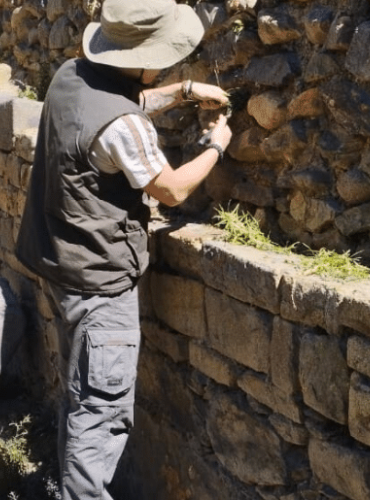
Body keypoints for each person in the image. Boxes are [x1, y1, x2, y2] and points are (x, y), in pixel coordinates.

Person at [14, 1, 232, 499]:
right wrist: (215, 145)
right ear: (141, 55)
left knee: (80, 395)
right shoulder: (122, 126)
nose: (170, 64)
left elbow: (120, 104)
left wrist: (182, 92)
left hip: (61, 265)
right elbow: (172, 189)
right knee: (101, 414)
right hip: (100, 286)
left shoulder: (70, 75)